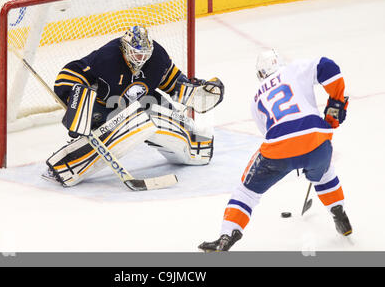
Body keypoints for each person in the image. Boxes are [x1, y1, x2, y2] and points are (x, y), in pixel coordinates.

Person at [198, 49, 352, 252]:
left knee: (247, 191)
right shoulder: (294, 69)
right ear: (279, 63)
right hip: (316, 141)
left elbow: (270, 132)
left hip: (279, 147)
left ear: (260, 74)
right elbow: (328, 67)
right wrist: (336, 104)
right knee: (324, 172)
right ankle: (338, 212)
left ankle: (227, 235)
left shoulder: (255, 98)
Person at [42, 25, 224, 187]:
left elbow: (173, 81)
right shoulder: (108, 57)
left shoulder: (157, 56)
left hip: (145, 102)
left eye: (145, 54)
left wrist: (195, 91)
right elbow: (72, 72)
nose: (141, 59)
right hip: (106, 109)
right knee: (128, 126)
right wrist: (76, 102)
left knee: (163, 118)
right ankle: (65, 166)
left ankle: (197, 146)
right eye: (137, 54)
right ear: (125, 49)